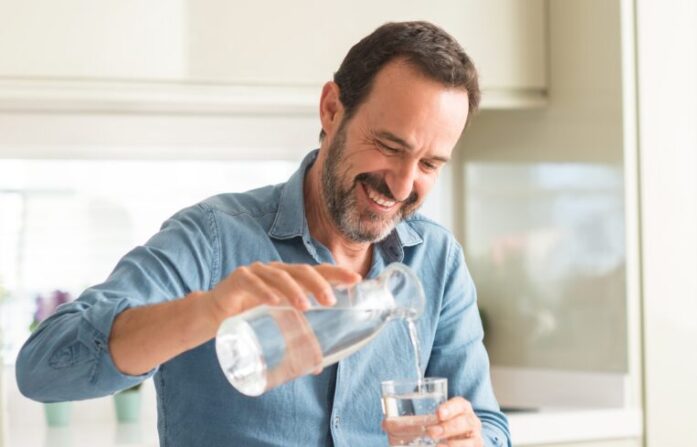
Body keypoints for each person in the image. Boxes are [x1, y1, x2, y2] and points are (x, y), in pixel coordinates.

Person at [16, 21, 511, 446]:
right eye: (388, 145)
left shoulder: (438, 260)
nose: (403, 185)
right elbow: (42, 369)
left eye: (429, 163)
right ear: (331, 109)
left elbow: (488, 423)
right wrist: (207, 312)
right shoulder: (212, 239)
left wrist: (472, 438)